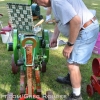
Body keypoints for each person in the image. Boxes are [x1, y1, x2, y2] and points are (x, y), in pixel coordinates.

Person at [33, 0, 99, 100]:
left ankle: (76, 96)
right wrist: (54, 36)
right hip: (84, 28)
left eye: (36, 1)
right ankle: (70, 79)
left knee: (72, 64)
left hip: (85, 31)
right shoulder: (55, 2)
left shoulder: (58, 2)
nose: (37, 4)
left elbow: (76, 22)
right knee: (73, 58)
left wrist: (69, 45)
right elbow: (60, 19)